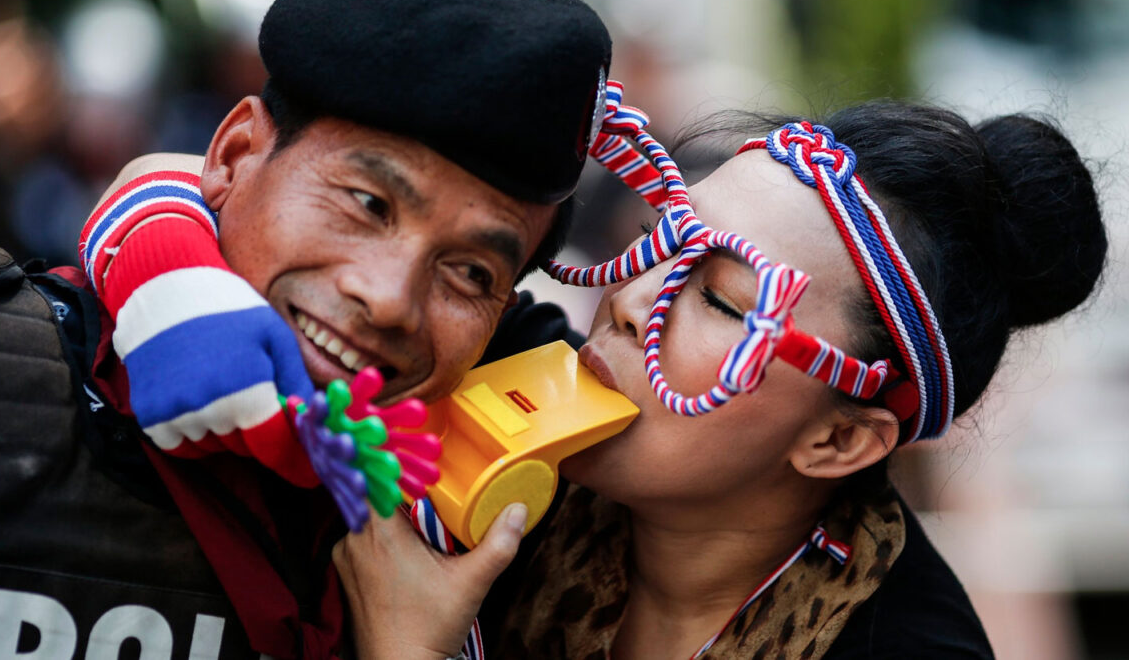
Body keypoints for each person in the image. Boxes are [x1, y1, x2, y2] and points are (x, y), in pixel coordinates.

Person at [0, 0, 611, 657]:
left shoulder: (513, 523)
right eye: (368, 202)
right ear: (231, 156)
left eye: (471, 273)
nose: (390, 299)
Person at [330, 101, 1107, 659]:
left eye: (719, 300)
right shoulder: (517, 381)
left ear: (839, 438)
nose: (631, 302)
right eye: (657, 240)